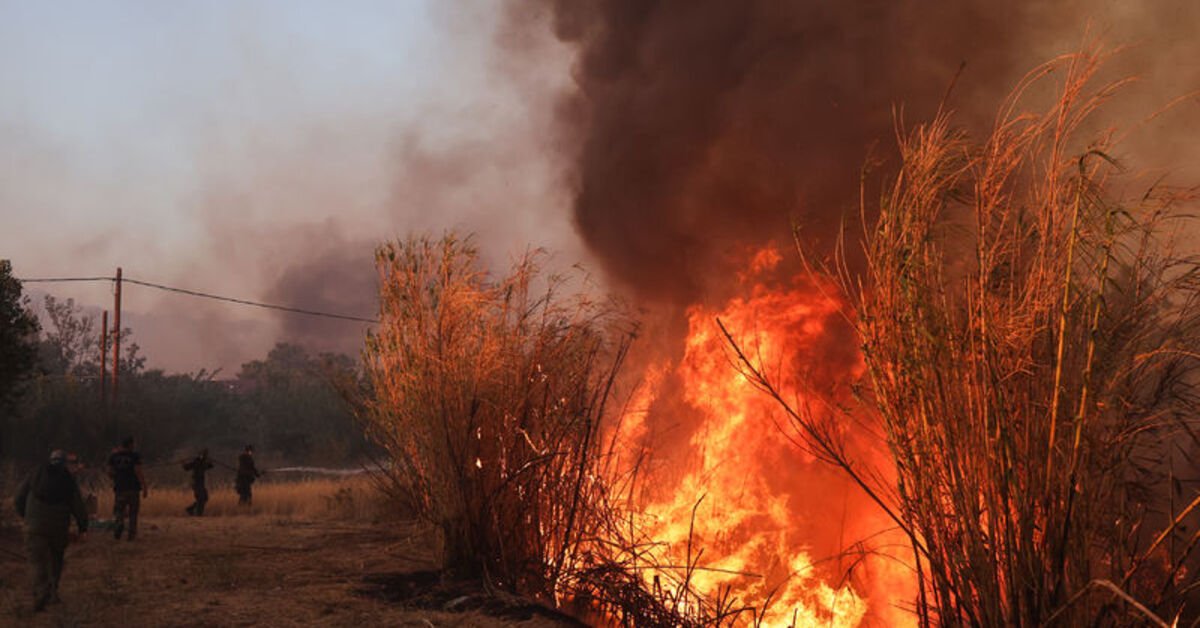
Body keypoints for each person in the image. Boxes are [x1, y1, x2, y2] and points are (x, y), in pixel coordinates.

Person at [13, 450, 89, 612]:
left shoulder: (35, 474)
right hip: (58, 528)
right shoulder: (68, 480)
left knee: (37, 562)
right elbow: (78, 507)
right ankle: (53, 593)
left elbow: (18, 498)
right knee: (56, 559)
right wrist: (83, 527)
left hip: (34, 526)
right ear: (64, 463)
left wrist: (25, 516)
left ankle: (41, 592)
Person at [106, 437, 147, 541]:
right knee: (133, 513)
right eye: (133, 444)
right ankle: (131, 536)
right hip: (133, 488)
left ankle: (119, 524)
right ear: (130, 445)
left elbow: (110, 472)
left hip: (120, 488)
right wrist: (144, 486)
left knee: (119, 510)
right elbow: (138, 472)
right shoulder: (134, 456)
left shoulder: (114, 456)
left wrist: (116, 477)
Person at [182, 448, 214, 516]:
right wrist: (183, 463)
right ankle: (198, 514)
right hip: (196, 482)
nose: (205, 456)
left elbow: (210, 466)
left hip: (201, 483)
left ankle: (190, 509)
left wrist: (210, 461)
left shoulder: (203, 462)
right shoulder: (196, 462)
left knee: (205, 498)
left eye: (206, 454)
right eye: (204, 454)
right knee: (201, 498)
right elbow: (186, 468)